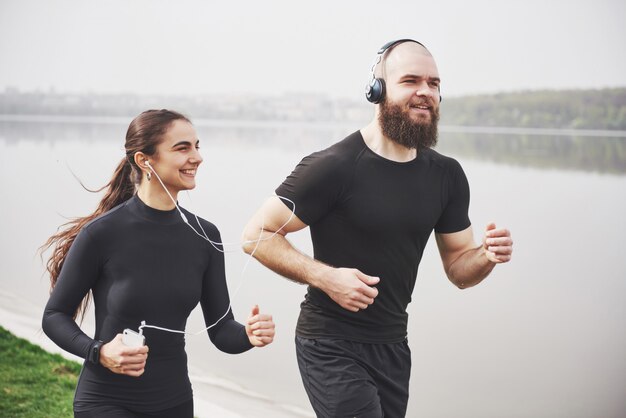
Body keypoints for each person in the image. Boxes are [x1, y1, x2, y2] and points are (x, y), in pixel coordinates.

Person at [242, 39, 513, 417]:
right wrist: (327, 278)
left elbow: (459, 271)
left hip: (393, 347)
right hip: (328, 343)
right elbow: (256, 235)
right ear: (377, 90)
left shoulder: (447, 176)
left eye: (434, 84)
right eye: (411, 80)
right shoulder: (333, 166)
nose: (425, 92)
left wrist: (485, 256)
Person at [41, 109, 275, 418]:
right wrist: (99, 352)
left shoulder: (205, 235)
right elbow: (54, 316)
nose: (198, 157)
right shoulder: (101, 234)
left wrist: (248, 335)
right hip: (106, 401)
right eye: (183, 148)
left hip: (174, 402)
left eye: (197, 145)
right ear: (144, 160)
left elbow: (221, 331)